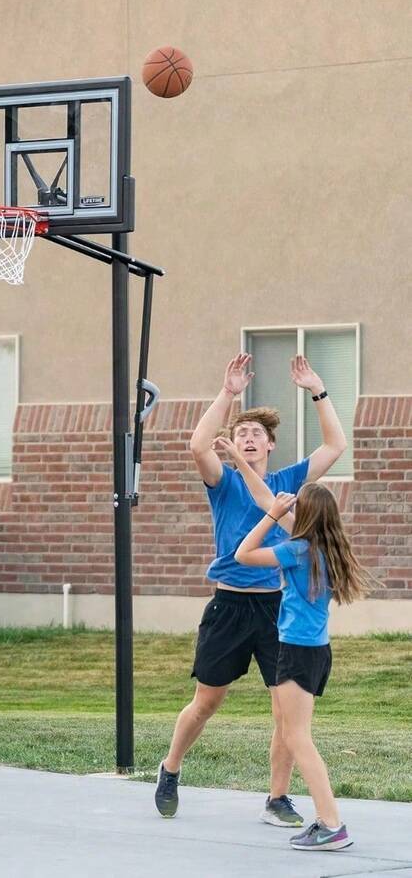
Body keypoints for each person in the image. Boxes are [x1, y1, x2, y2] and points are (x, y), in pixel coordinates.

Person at [154, 353, 347, 824]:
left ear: (271, 445)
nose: (248, 437)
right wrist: (229, 394)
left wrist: (318, 391)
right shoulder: (222, 481)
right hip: (229, 606)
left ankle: (277, 797)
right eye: (241, 433)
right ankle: (170, 768)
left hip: (276, 610)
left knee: (286, 713)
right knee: (207, 701)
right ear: (234, 446)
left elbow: (334, 446)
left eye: (257, 433)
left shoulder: (287, 483)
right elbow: (198, 443)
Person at [229, 445, 375, 851]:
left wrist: (272, 515)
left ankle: (331, 824)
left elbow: (243, 554)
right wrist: (241, 463)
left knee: (297, 737)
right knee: (292, 731)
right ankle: (322, 820)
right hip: (315, 651)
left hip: (296, 651)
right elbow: (262, 495)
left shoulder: (297, 550)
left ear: (305, 515)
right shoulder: (326, 546)